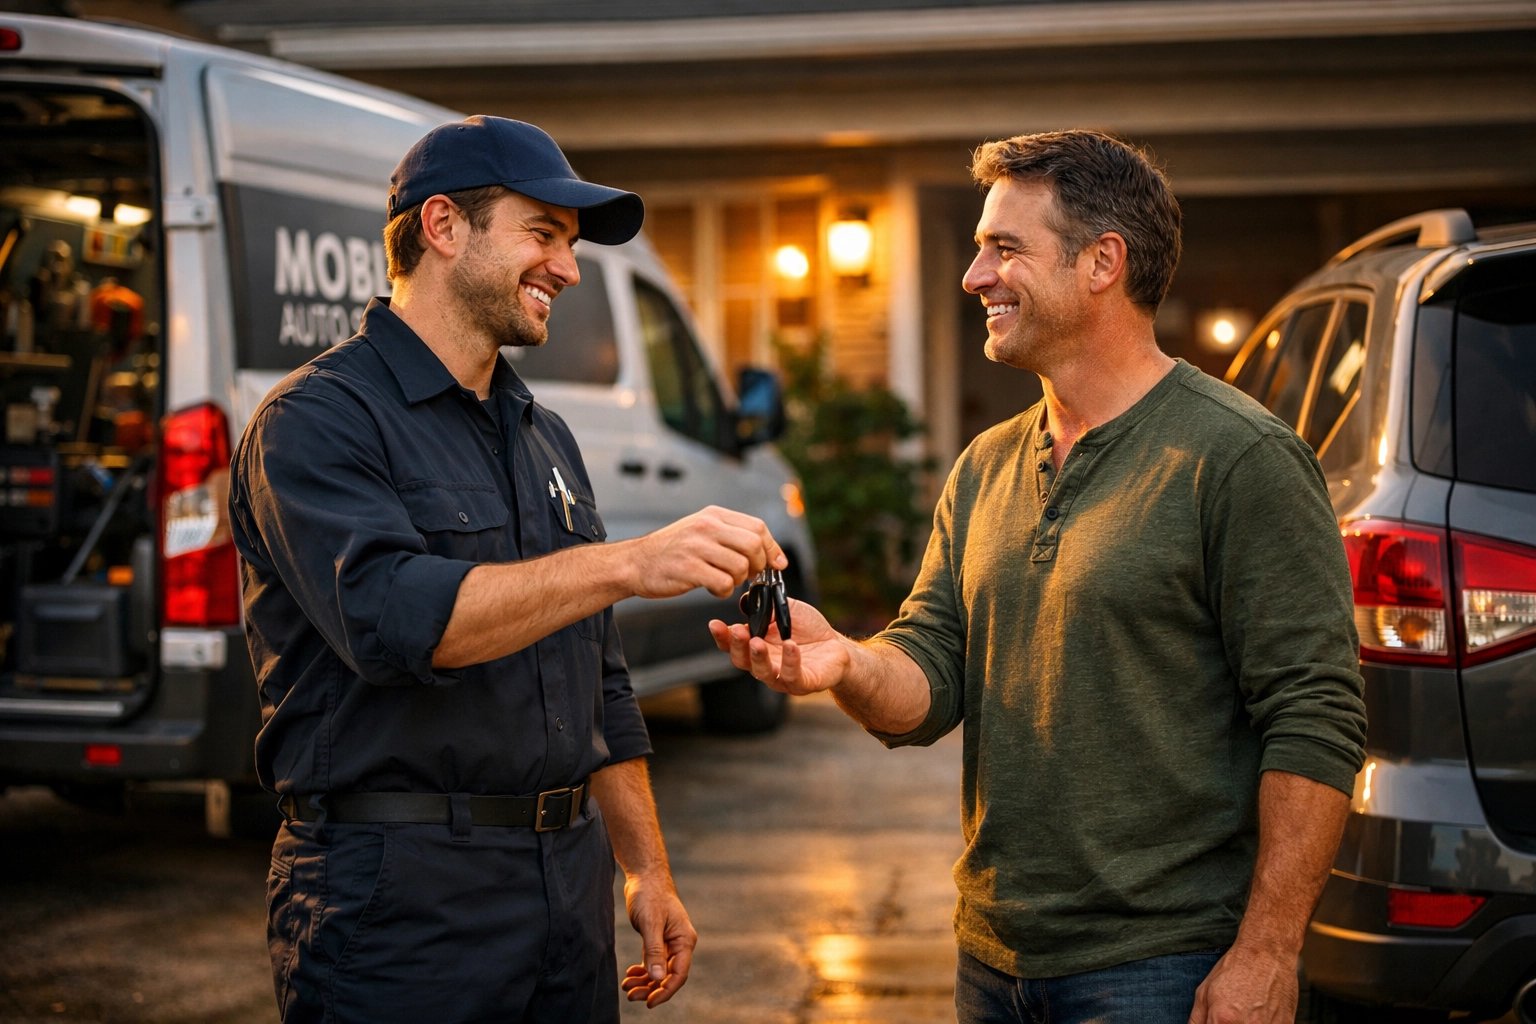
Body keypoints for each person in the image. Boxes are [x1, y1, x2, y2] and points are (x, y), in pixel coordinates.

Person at [710, 130, 1366, 1024]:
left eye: (1004, 248)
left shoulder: (1239, 459)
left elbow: (1314, 716)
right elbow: (931, 677)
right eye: (980, 248)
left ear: (1103, 263)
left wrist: (1268, 952)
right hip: (992, 962)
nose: (975, 276)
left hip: (1162, 968)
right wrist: (847, 663)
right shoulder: (984, 466)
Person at [231, 116, 787, 1023]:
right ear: (443, 225)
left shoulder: (542, 435)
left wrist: (645, 870)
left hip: (565, 897)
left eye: (570, 245)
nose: (569, 268)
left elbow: (598, 681)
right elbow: (396, 619)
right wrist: (629, 563)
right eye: (544, 235)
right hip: (398, 902)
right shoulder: (315, 421)